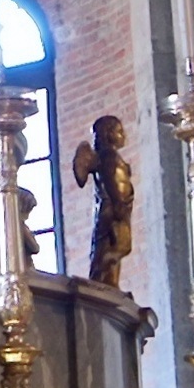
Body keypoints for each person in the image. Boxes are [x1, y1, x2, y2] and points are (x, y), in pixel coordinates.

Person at [73, 114, 135, 284]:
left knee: (115, 250)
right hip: (112, 210)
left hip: (117, 209)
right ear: (108, 134)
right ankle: (104, 285)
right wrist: (119, 205)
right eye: (119, 131)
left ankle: (110, 285)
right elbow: (111, 181)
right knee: (109, 252)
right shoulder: (109, 157)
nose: (123, 136)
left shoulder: (111, 156)